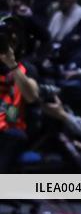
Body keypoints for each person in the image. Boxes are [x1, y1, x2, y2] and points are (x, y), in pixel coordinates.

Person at [0, 16, 40, 172]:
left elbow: (31, 97)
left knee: (12, 136)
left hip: (11, 123)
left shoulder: (26, 68)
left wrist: (12, 65)